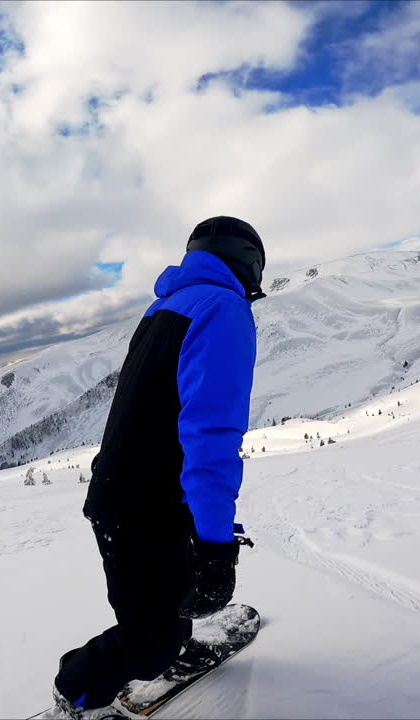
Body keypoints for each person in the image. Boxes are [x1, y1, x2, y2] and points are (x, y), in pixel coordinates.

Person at [51, 216, 264, 718]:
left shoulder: (168, 304)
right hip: (142, 503)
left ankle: (171, 643)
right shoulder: (223, 308)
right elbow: (209, 437)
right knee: (148, 639)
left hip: (137, 494)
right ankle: (76, 690)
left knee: (171, 601)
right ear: (250, 263)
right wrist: (215, 545)